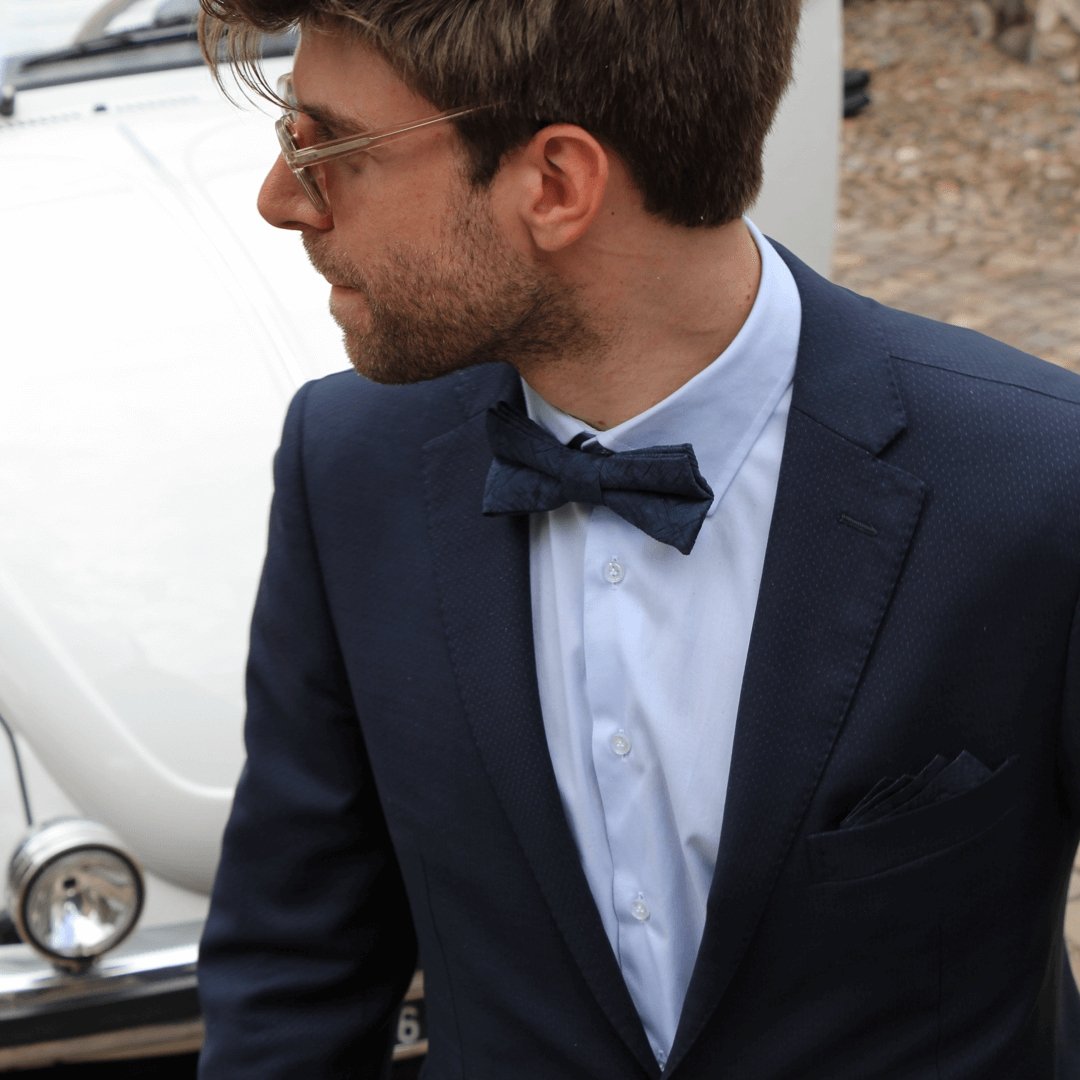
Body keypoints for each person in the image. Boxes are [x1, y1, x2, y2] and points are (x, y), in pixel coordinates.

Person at [194, 2, 1080, 1077]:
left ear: (556, 184)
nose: (283, 198)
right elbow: (294, 974)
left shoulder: (1039, 486)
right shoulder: (349, 465)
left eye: (330, 145)